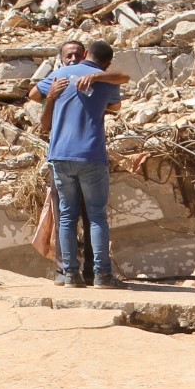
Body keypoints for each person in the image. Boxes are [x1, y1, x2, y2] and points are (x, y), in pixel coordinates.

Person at [38, 40, 124, 288]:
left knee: (66, 216)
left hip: (60, 155)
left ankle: (70, 275)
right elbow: (116, 106)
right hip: (91, 155)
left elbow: (34, 94)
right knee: (96, 217)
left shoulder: (59, 75)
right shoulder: (107, 79)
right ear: (107, 63)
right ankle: (101, 275)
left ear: (85, 53)